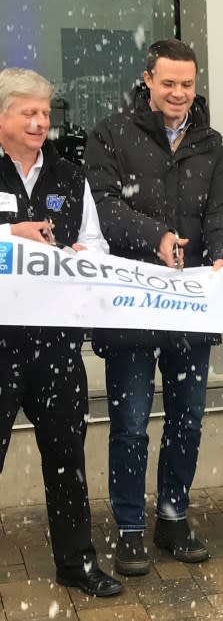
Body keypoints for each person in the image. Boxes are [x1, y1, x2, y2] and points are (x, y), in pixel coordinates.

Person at [83, 39, 223, 575]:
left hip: (192, 307)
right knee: (129, 422)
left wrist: (222, 257)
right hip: (132, 305)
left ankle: (173, 514)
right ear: (147, 80)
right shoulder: (110, 133)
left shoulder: (211, 142)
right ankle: (129, 525)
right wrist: (156, 237)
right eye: (168, 82)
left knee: (188, 419)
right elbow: (102, 207)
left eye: (187, 84)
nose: (178, 93)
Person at [0, 67, 122, 596]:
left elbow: (98, 244)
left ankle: (77, 564)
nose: (39, 122)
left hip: (55, 344)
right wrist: (9, 236)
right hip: (1, 342)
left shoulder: (72, 178)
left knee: (68, 457)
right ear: (2, 115)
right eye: (28, 111)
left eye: (45, 112)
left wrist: (82, 254)